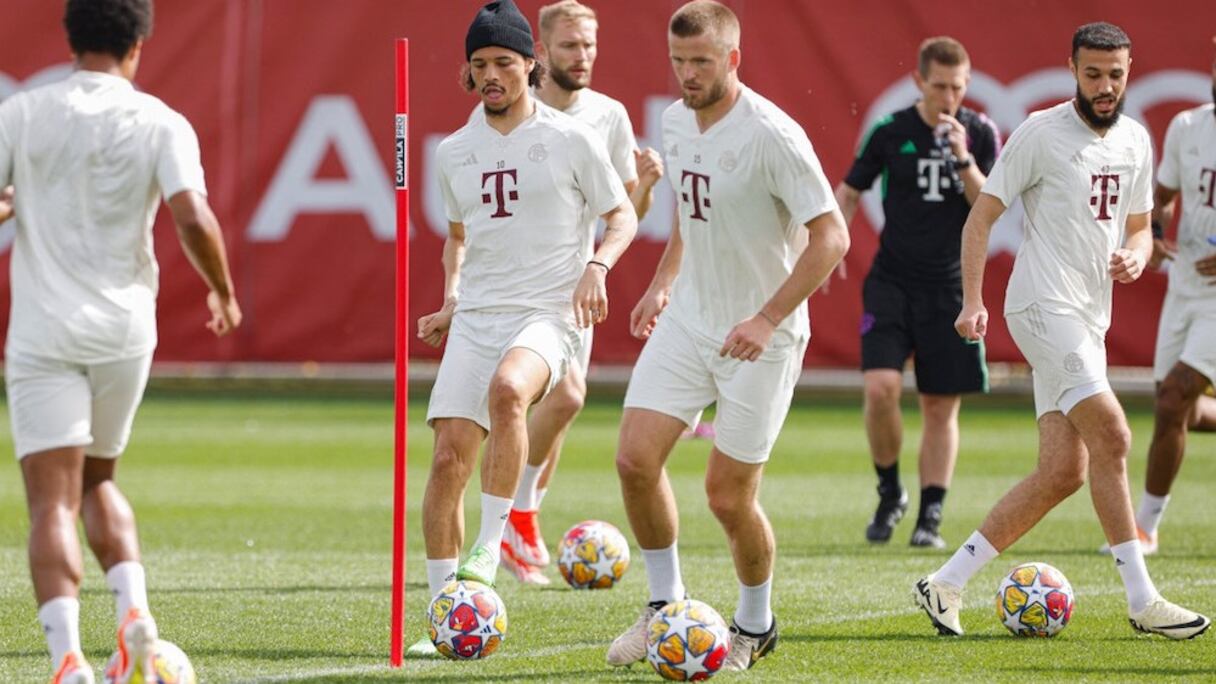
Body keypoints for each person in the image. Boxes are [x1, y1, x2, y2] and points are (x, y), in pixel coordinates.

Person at [914, 22, 1210, 640]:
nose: (1105, 86)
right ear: (1072, 69)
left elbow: (1138, 227)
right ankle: (1141, 600)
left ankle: (945, 583)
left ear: (1130, 71)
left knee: (1064, 473)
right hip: (1040, 307)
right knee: (1114, 432)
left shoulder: (1134, 139)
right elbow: (981, 220)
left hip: (1086, 318)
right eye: (1093, 73)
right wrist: (973, 302)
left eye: (1116, 74)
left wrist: (1135, 251)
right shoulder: (1040, 133)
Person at [0, 1, 243, 681]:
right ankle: (135, 612)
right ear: (138, 44)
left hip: (45, 332)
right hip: (126, 329)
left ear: (70, 37)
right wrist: (222, 290)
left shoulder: (20, 112)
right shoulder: (161, 119)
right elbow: (192, 214)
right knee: (100, 479)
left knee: (51, 499)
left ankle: (67, 660)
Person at [606, 1, 848, 671]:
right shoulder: (675, 120)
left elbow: (833, 237)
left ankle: (755, 623)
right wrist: (662, 281)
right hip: (689, 321)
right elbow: (688, 207)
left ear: (733, 58)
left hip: (761, 339)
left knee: (727, 496)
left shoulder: (773, 134)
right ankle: (664, 607)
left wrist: (767, 317)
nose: (687, 74)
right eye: (678, 61)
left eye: (702, 62)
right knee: (633, 461)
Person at [408, 0, 638, 658]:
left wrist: (597, 265)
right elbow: (459, 238)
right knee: (450, 457)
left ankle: (490, 542)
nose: (491, 75)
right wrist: (451, 300)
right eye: (479, 65)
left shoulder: (571, 138)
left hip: (549, 311)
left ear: (529, 66)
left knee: (512, 390)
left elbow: (621, 217)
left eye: (504, 63)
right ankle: (445, 613)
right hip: (478, 314)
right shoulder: (454, 152)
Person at [500, 0, 665, 586]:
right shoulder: (517, 108)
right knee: (564, 397)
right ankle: (515, 515)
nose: (583, 56)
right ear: (542, 50)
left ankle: (516, 522)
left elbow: (622, 213)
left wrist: (643, 188)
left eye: (590, 45)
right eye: (571, 45)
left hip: (576, 277)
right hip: (516, 279)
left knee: (560, 408)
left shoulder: (609, 115)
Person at [834, 37, 1001, 549]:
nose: (949, 96)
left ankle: (930, 515)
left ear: (967, 84)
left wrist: (965, 159)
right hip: (892, 280)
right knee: (880, 388)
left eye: (958, 86)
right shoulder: (892, 131)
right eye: (939, 86)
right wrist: (832, 246)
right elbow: (849, 191)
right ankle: (890, 492)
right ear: (919, 83)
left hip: (950, 284)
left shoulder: (980, 132)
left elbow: (989, 204)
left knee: (938, 406)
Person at [1106, 43, 1216, 556]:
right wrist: (1151, 232)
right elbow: (1164, 196)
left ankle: (1144, 528)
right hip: (1185, 282)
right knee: (1180, 411)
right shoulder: (1189, 126)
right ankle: (1146, 527)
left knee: (1175, 395)